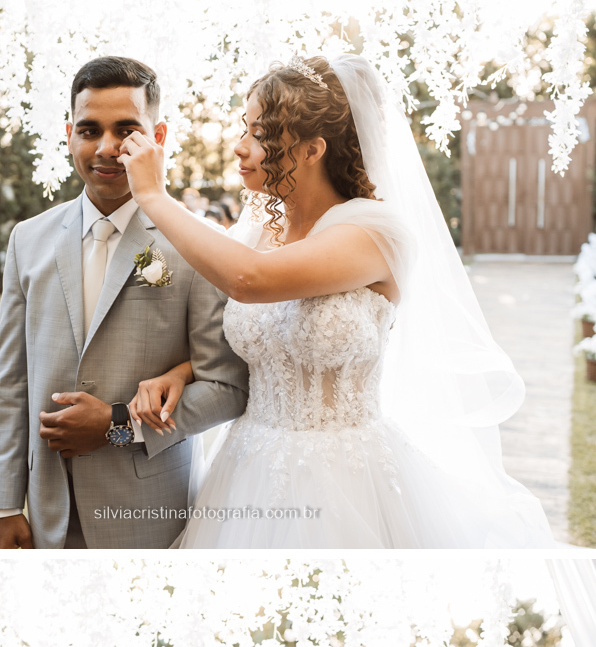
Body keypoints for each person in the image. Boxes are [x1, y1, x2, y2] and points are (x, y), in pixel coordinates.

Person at [120, 54, 557, 549]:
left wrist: (154, 196)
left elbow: (250, 281)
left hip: (350, 476)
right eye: (246, 128)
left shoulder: (373, 232)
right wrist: (184, 372)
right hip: (249, 463)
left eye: (260, 134)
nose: (240, 147)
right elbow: (259, 334)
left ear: (311, 149)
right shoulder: (261, 229)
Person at [0, 55, 248, 550]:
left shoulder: (196, 247)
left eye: (126, 130)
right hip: (47, 512)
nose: (107, 148)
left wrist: (116, 427)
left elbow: (227, 387)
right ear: (69, 135)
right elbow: (9, 381)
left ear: (159, 136)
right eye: (89, 130)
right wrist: (3, 505)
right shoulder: (28, 239)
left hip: (149, 515)